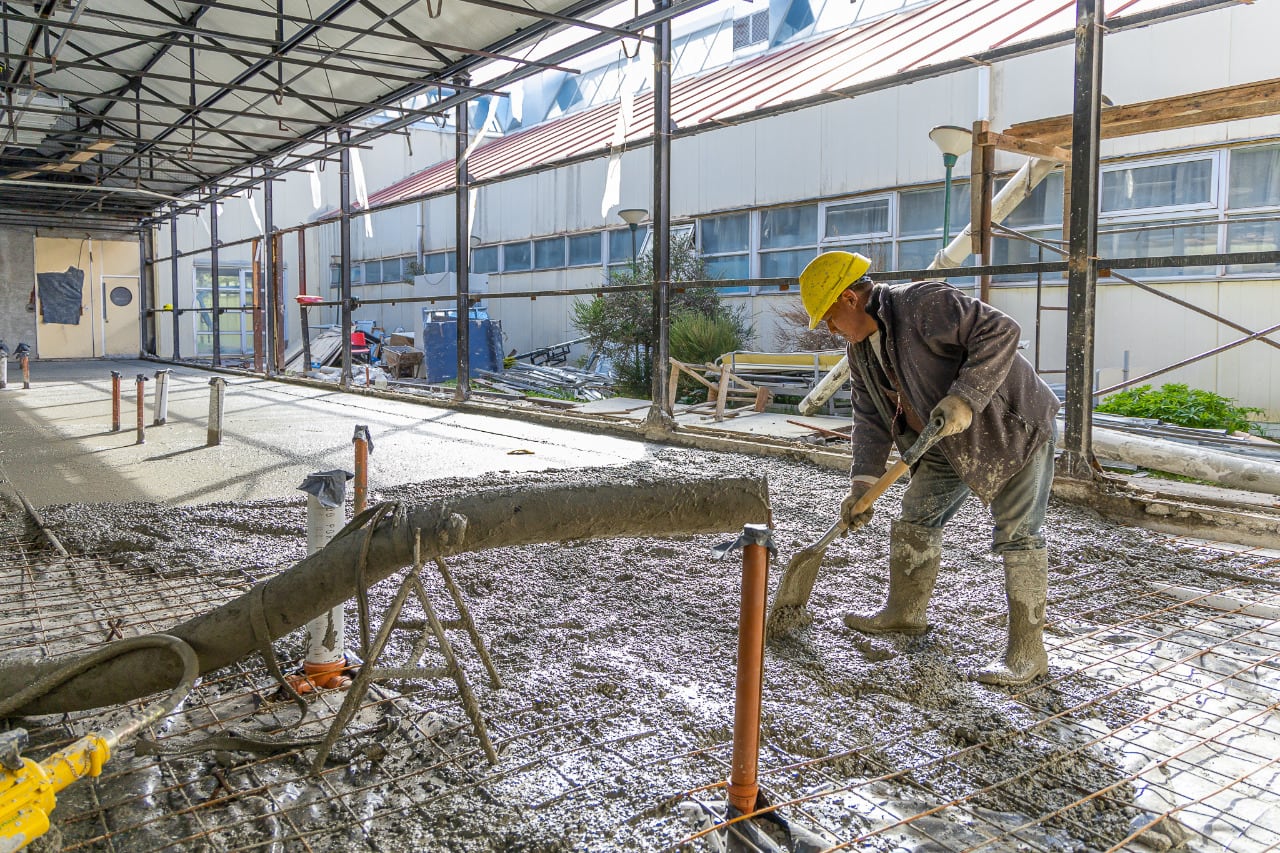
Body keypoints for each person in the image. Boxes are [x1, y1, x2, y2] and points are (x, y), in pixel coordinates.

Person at [798, 251, 1060, 686]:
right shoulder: (860, 351)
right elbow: (870, 417)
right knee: (916, 516)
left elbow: (1001, 330)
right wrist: (861, 484)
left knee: (1018, 533)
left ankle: (1027, 653)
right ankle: (905, 613)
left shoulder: (922, 302)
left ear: (848, 299)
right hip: (942, 440)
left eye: (828, 317)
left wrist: (965, 397)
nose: (830, 328)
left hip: (1011, 427)